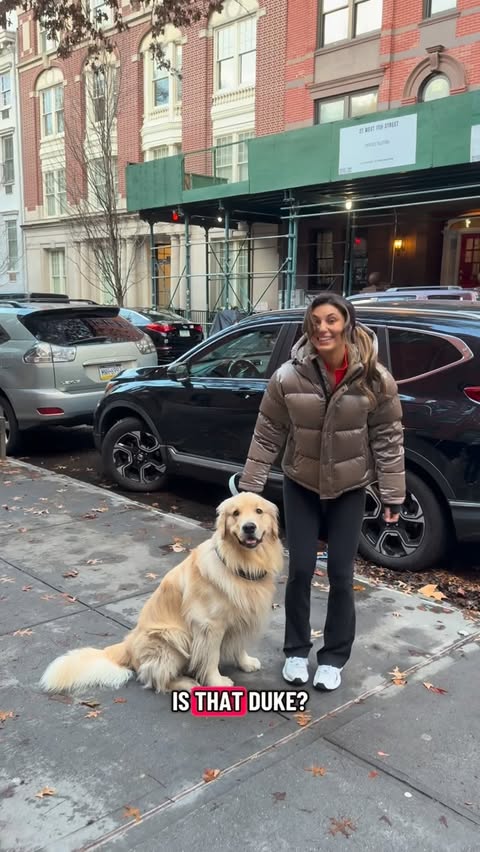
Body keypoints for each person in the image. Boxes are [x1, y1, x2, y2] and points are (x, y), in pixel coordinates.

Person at [238, 293, 405, 691]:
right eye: (315, 322)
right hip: (301, 484)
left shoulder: (375, 378)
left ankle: (333, 657)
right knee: (299, 570)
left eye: (331, 320)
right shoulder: (287, 377)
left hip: (349, 488)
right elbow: (267, 433)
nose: (323, 328)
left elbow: (388, 437)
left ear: (347, 323)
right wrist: (249, 489)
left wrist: (392, 494)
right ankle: (296, 651)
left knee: (341, 575)